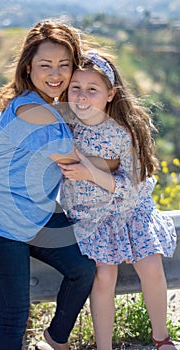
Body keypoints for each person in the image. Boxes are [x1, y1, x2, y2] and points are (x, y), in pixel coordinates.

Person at [0, 19, 100, 350]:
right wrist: (117, 162)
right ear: (29, 68)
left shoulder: (54, 106)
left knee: (83, 269)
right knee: (14, 314)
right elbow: (77, 161)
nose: (55, 74)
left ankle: (55, 338)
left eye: (64, 65)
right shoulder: (30, 109)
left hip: (36, 213)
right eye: (45, 65)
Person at [58, 50, 177, 350]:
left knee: (150, 263)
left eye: (92, 90)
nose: (82, 97)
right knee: (104, 274)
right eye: (76, 88)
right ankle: (104, 346)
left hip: (130, 209)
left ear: (110, 94)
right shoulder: (66, 128)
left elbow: (132, 188)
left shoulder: (125, 132)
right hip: (90, 216)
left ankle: (160, 335)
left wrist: (90, 172)